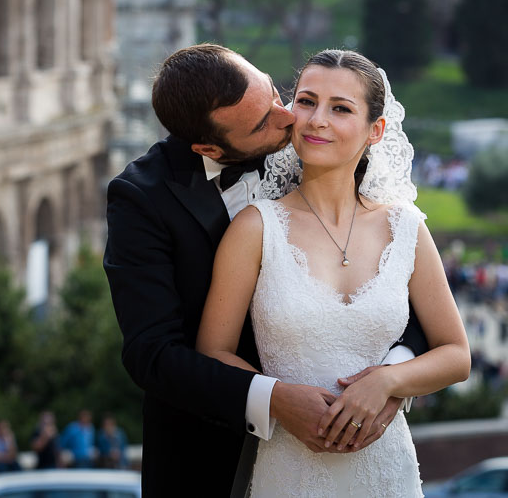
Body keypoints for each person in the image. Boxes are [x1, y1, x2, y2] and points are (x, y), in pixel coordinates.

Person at [104, 44, 429, 497]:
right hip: (207, 454)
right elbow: (153, 355)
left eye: (277, 94)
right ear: (208, 147)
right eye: (262, 123)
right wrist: (273, 399)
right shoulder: (141, 200)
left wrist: (389, 379)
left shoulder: (316, 146)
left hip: (357, 451)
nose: (288, 118)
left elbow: (395, 284)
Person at [197, 50, 470, 496]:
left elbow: (456, 354)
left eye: (340, 108)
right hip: (290, 469)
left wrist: (389, 381)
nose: (316, 119)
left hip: (386, 472)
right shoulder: (255, 227)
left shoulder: (406, 228)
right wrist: (278, 398)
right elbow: (212, 352)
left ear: (375, 131)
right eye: (305, 101)